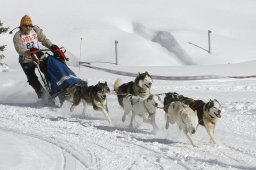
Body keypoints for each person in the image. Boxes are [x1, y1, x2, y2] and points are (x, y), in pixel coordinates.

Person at [13, 15, 65, 98]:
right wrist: (28, 52)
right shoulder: (18, 35)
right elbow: (19, 49)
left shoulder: (35, 30)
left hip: (38, 55)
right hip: (26, 59)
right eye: (25, 26)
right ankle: (43, 95)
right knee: (32, 79)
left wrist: (52, 46)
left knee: (48, 71)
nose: (28, 28)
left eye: (29, 26)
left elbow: (43, 40)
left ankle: (55, 90)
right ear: (21, 26)